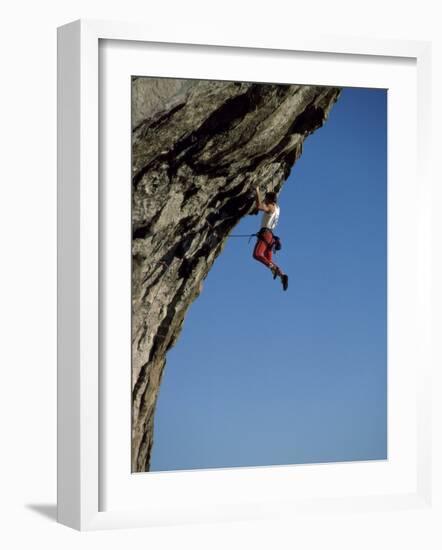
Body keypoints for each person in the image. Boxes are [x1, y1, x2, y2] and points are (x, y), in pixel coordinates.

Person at [252, 187, 289, 291]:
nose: (265, 200)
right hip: (271, 237)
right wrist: (269, 190)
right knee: (269, 260)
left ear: (270, 200)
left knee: (257, 254)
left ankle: (273, 268)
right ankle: (282, 275)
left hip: (265, 234)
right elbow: (271, 197)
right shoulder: (277, 208)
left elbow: (259, 206)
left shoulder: (271, 208)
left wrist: (257, 191)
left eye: (266, 199)